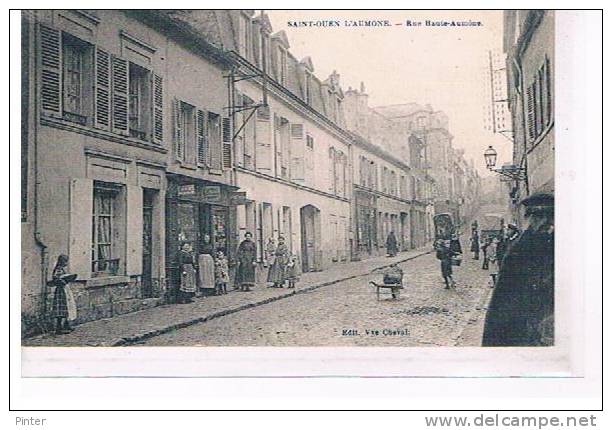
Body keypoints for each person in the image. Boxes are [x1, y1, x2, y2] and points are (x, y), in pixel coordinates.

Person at [482, 192, 554, 346]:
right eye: (542, 217)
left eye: (550, 217)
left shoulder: (551, 242)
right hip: (528, 329)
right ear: (532, 219)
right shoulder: (520, 250)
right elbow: (503, 300)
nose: (548, 223)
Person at [50, 254, 77, 334]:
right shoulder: (58, 269)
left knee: (67, 307)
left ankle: (66, 325)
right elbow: (56, 279)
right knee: (61, 309)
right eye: (65, 261)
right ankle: (59, 328)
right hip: (61, 290)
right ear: (61, 261)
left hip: (65, 289)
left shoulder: (61, 269)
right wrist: (64, 280)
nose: (66, 263)